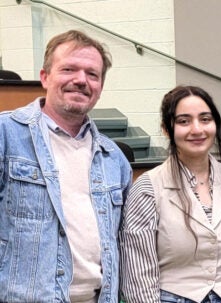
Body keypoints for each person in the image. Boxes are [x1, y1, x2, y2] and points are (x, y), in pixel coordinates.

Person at [0, 30, 131, 302]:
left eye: (92, 74)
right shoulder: (5, 135)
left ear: (100, 86)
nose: (81, 80)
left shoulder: (114, 159)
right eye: (69, 69)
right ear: (45, 77)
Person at [120, 86, 221, 302]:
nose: (197, 129)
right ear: (167, 129)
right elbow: (139, 274)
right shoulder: (147, 189)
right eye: (184, 121)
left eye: (205, 119)